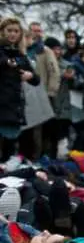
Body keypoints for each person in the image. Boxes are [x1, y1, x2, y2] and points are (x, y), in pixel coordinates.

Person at [0, 17, 39, 158]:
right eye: (9, 30)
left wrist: (30, 75)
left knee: (8, 152)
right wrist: (7, 63)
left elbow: (36, 80)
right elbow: (4, 60)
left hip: (13, 109)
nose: (12, 34)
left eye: (16, 31)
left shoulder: (21, 55)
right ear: (2, 32)